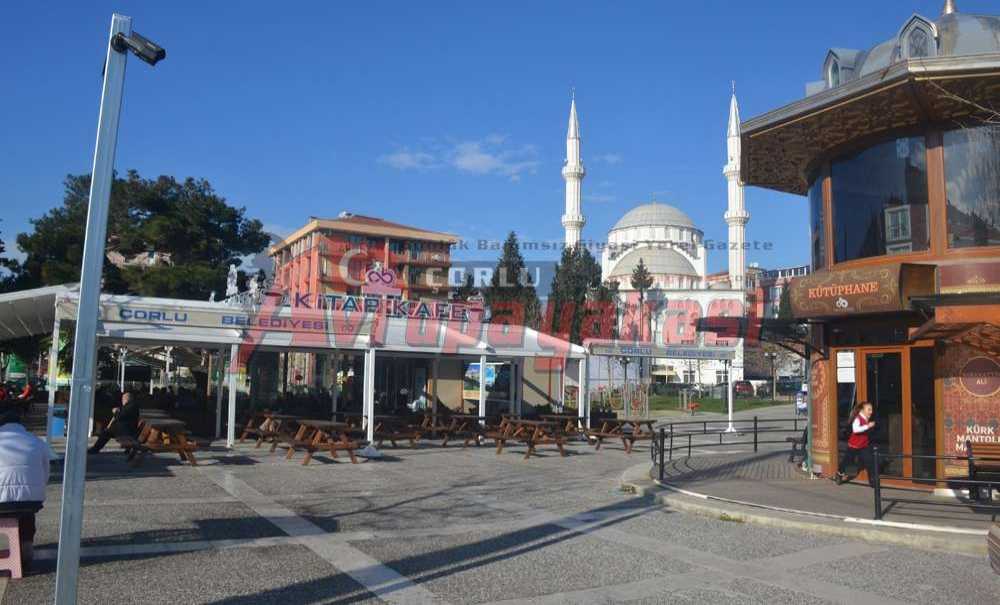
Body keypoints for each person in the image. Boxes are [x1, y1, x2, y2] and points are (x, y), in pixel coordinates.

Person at [0, 409, 50, 574]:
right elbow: (45, 473)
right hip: (31, 500)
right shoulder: (37, 441)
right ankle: (26, 547)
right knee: (26, 513)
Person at [835, 401, 877, 486]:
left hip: (864, 445)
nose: (871, 412)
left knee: (869, 461)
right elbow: (856, 430)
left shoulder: (867, 418)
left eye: (871, 410)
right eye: (869, 409)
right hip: (853, 446)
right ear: (862, 410)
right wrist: (868, 426)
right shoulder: (858, 419)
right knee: (847, 461)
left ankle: (873, 481)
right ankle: (839, 473)